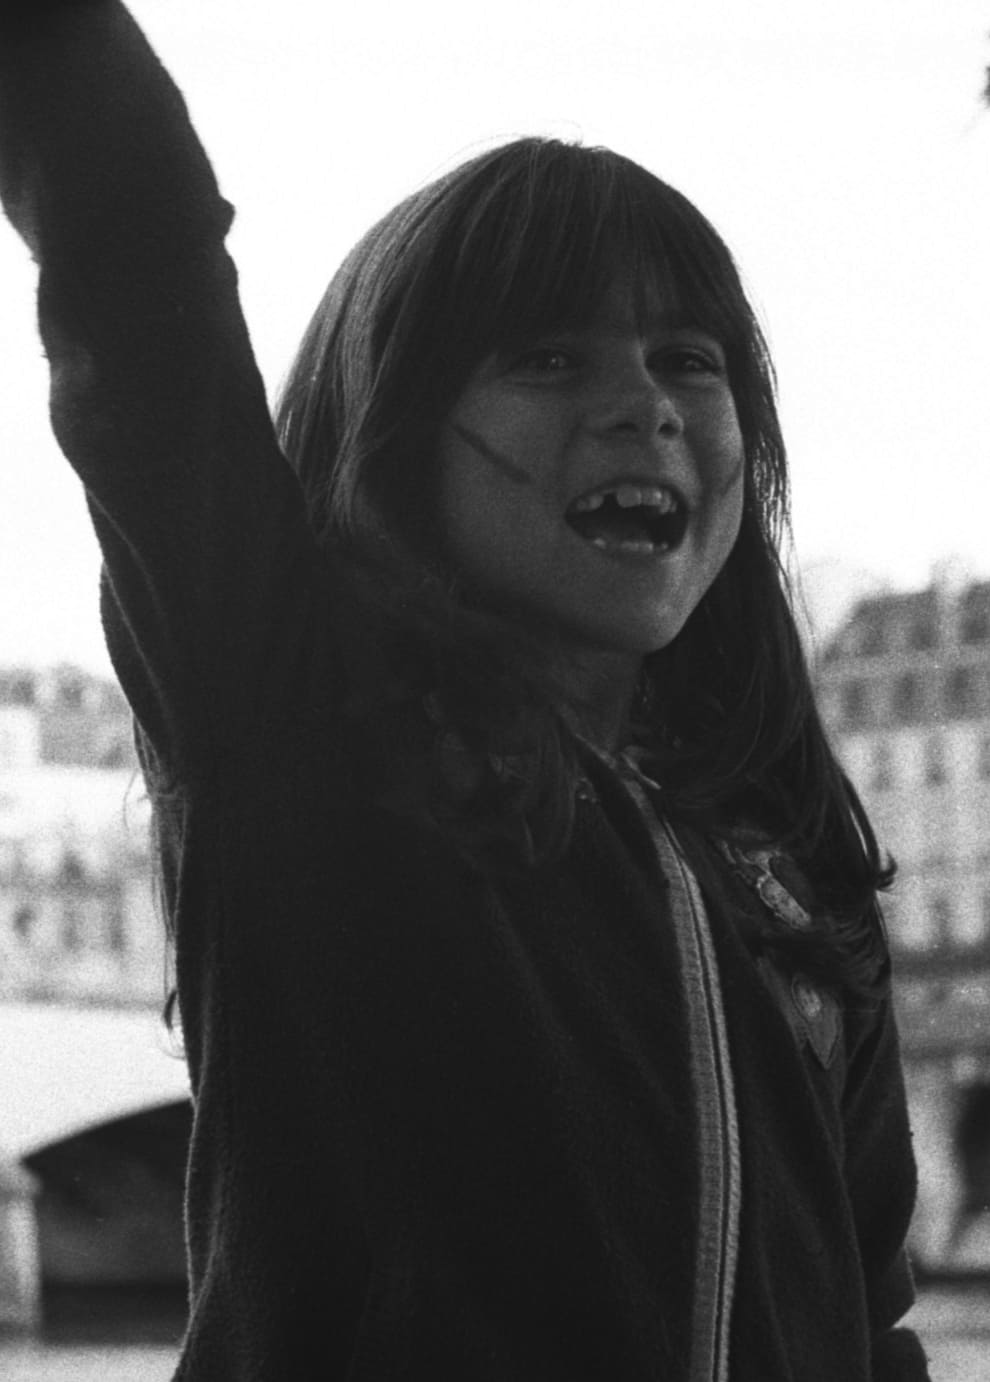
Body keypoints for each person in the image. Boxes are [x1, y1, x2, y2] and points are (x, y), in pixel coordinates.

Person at [0, 3, 931, 1379]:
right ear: (393, 432)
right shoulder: (302, 721)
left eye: (689, 359)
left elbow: (869, 1308)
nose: (642, 404)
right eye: (548, 358)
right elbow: (134, 264)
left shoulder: (788, 855)